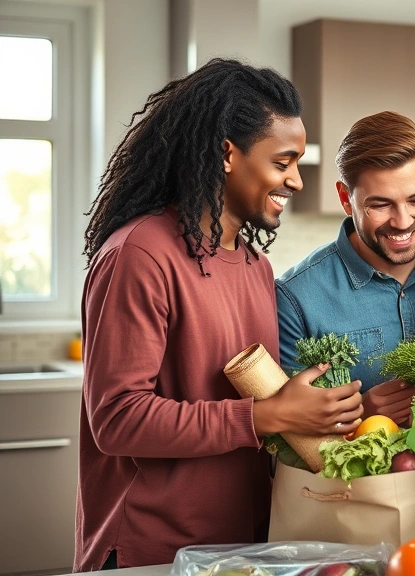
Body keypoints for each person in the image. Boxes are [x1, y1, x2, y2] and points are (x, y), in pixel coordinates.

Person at [77, 59, 364, 571]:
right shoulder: (141, 254)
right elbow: (117, 419)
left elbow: (260, 412)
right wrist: (263, 416)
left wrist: (313, 412)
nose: (296, 181)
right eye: (283, 162)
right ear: (227, 154)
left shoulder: (256, 267)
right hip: (152, 551)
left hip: (243, 548)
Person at [276, 111, 415, 427]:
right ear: (346, 199)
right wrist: (361, 415)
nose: (402, 222)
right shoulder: (295, 299)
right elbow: (286, 438)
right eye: (380, 205)